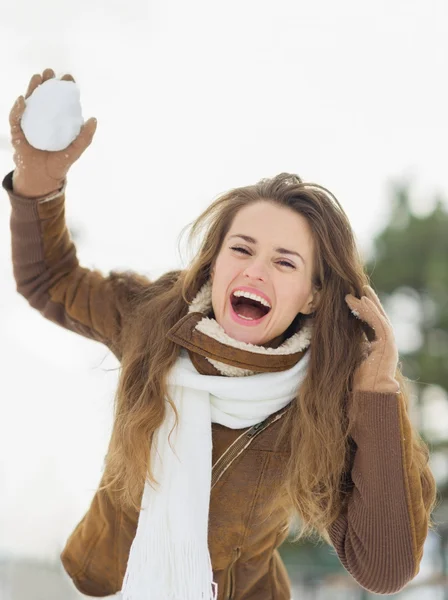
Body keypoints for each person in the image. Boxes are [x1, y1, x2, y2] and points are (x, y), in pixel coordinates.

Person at [4, 68, 437, 600]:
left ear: (313, 295)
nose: (256, 270)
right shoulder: (153, 321)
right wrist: (39, 183)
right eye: (242, 249)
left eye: (284, 262)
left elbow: (386, 569)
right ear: (214, 266)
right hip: (108, 585)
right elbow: (49, 280)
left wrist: (377, 391)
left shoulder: (330, 392)